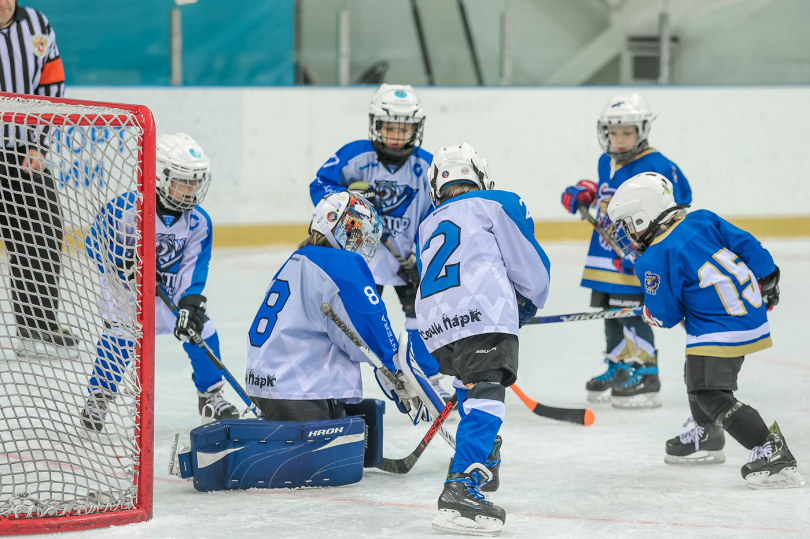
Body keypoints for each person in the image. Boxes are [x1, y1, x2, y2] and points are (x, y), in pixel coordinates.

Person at [607, 172, 803, 490]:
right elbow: (748, 245)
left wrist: (648, 311)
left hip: (719, 326)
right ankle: (708, 435)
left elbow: (666, 315)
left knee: (711, 393)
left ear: (643, 216)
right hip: (745, 312)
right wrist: (768, 282)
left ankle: (772, 451)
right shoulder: (701, 219)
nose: (627, 233)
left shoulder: (654, 257)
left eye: (629, 225)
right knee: (695, 375)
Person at [416, 143, 551, 536]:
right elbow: (530, 265)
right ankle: (462, 485)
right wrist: (528, 301)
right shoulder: (497, 201)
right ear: (481, 177)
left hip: (435, 326)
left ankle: (484, 456)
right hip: (481, 313)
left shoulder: (427, 222)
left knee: (471, 385)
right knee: (488, 390)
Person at [80, 133, 239, 432]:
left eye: (196, 182)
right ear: (160, 177)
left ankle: (210, 395)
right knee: (121, 336)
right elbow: (94, 244)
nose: (192, 190)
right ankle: (99, 396)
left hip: (169, 291)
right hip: (126, 293)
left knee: (202, 330)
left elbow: (193, 266)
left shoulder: (198, 221)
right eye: (184, 182)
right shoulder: (125, 209)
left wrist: (190, 301)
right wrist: (122, 266)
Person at [308, 84, 448, 399]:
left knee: (421, 316)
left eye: (404, 129)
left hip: (407, 259)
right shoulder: (355, 156)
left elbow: (438, 216)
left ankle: (428, 378)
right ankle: (332, 383)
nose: (397, 136)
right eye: (390, 127)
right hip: (359, 260)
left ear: (416, 129)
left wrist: (423, 259)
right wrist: (350, 198)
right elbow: (320, 184)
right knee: (348, 320)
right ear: (376, 124)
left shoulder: (427, 166)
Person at [560, 93, 692, 408]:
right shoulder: (605, 161)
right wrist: (588, 193)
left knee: (632, 313)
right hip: (606, 255)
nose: (619, 139)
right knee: (610, 315)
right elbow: (611, 194)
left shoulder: (658, 164)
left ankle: (646, 372)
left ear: (642, 130)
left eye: (627, 132)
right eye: (613, 132)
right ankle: (619, 366)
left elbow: (679, 201)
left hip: (635, 256)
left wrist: (650, 252)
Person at [245, 191, 415, 421]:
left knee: (353, 431)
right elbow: (368, 320)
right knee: (331, 443)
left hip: (270, 381)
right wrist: (395, 367)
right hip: (298, 387)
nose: (360, 241)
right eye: (356, 232)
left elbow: (343, 331)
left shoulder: (299, 259)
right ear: (334, 223)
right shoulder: (339, 263)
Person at [0, 1, 72, 357]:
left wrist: (38, 145)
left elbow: (51, 86)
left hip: (24, 154)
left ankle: (37, 327)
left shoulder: (36, 24)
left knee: (43, 233)